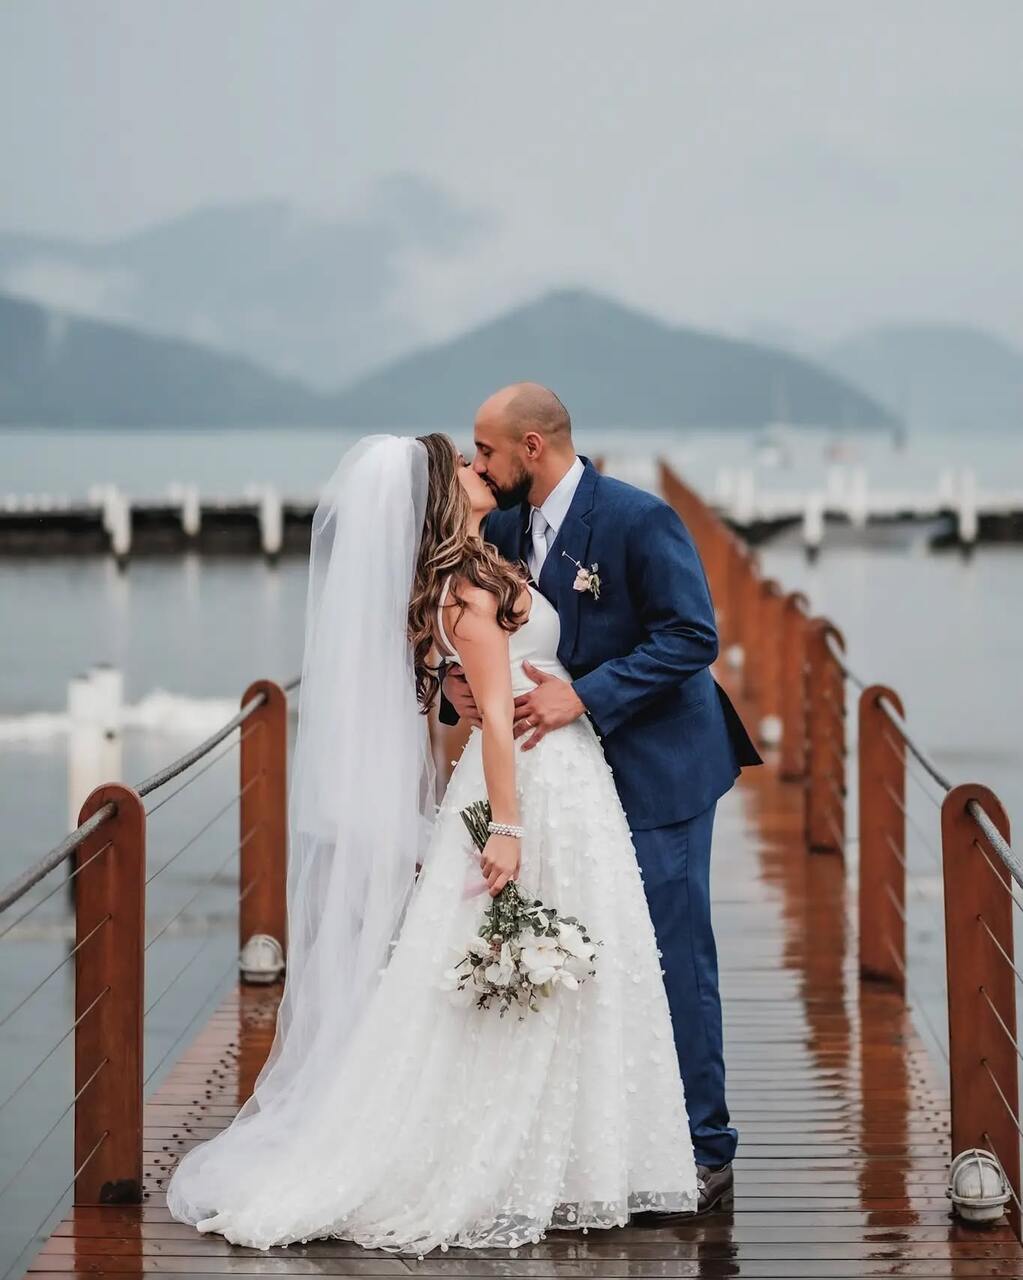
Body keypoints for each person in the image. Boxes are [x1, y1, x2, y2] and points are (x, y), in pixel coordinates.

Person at [165, 432, 698, 1255]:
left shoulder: (484, 565)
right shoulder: (463, 592)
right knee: (510, 960)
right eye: (462, 463)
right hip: (526, 778)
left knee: (592, 960)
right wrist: (510, 829)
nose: (479, 468)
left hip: (566, 770)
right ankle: (482, 1157)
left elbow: (478, 688)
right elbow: (486, 717)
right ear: (437, 497)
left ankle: (574, 1160)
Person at [440, 384, 763, 1213]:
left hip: (660, 765)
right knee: (589, 947)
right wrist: (455, 686)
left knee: (669, 948)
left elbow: (693, 635)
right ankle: (609, 1137)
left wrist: (584, 695)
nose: (475, 465)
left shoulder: (637, 518)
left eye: (486, 451)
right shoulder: (503, 529)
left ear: (533, 448)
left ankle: (704, 1146)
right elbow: (476, 635)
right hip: (560, 784)